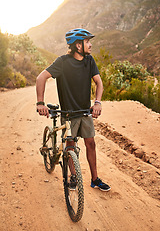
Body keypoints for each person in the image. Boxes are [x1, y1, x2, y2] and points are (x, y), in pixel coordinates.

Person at [36, 28, 111, 191]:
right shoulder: (62, 62)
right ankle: (73, 176)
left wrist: (97, 102)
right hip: (68, 115)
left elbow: (99, 83)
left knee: (90, 143)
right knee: (70, 146)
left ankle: (95, 179)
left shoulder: (89, 61)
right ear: (78, 46)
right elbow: (41, 78)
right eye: (87, 42)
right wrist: (40, 103)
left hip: (85, 112)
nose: (90, 45)